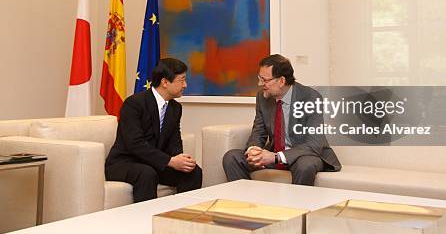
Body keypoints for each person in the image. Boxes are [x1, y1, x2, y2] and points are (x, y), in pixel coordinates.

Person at [222, 54, 341, 185]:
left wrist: (276, 157)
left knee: (305, 165)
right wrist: (253, 149)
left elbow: (314, 144)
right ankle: (248, 202)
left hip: (302, 155)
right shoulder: (263, 97)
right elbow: (259, 131)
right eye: (259, 78)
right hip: (274, 154)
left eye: (265, 80)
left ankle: (296, 206)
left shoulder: (310, 97)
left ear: (281, 81)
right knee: (231, 157)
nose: (260, 84)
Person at [105, 58, 202, 202]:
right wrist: (170, 161)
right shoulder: (134, 104)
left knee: (193, 172)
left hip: (153, 162)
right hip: (125, 162)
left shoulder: (175, 108)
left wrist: (179, 160)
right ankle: (145, 221)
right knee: (147, 174)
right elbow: (135, 144)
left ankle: (181, 217)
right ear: (165, 82)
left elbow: (174, 140)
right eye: (181, 80)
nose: (185, 85)